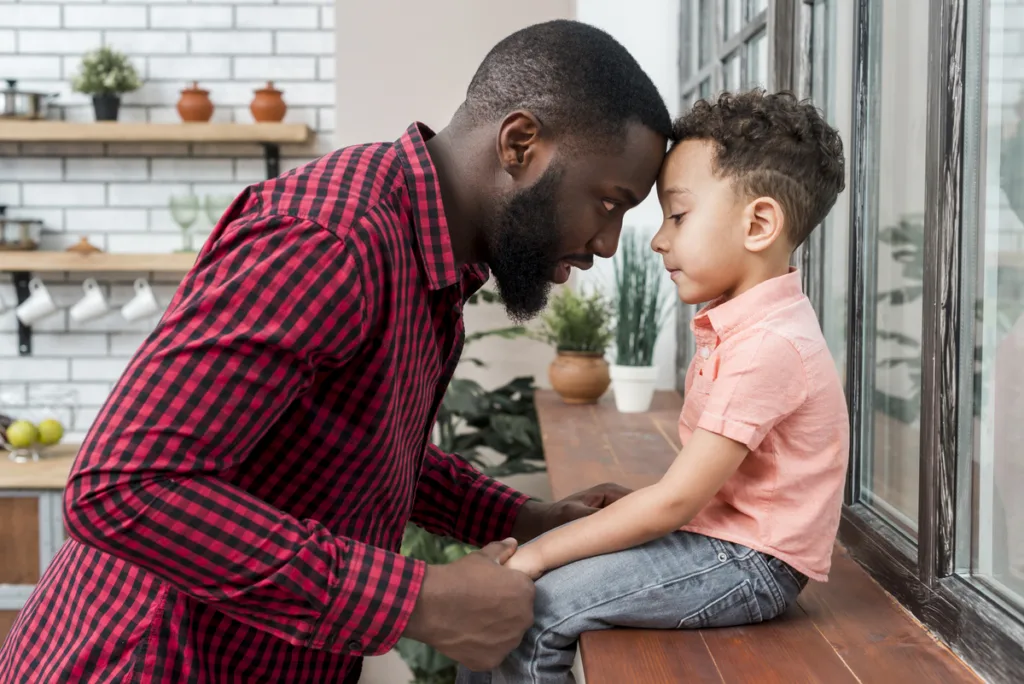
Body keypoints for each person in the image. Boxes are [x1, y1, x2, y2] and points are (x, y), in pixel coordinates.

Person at [0, 20, 671, 684]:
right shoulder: (334, 239)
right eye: (608, 202)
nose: (607, 242)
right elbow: (122, 486)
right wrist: (418, 600)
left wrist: (524, 518)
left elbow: (355, 442)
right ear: (520, 142)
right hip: (149, 662)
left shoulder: (430, 259)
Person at [458, 89, 849, 684]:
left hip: (746, 564)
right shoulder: (746, 326)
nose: (657, 239)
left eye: (678, 214)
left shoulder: (769, 346)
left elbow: (674, 502)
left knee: (531, 609)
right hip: (717, 542)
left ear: (760, 223)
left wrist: (535, 555)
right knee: (505, 604)